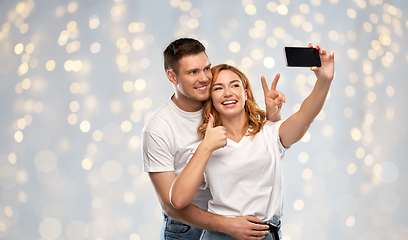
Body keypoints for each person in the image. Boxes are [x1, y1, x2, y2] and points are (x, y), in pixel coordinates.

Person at [169, 44, 335, 239]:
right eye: (218, 88)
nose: (228, 92)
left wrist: (324, 81)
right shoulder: (205, 145)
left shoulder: (270, 133)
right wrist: (206, 146)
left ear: (246, 93)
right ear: (210, 98)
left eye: (235, 85)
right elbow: (178, 200)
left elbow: (305, 116)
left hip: (266, 234)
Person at [141, 38, 285, 240]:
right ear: (172, 77)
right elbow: (170, 205)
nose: (204, 78)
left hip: (237, 222)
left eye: (206, 68)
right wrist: (227, 225)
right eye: (192, 72)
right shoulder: (158, 129)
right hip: (187, 227)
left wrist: (273, 118)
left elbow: (261, 149)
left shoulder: (222, 99)